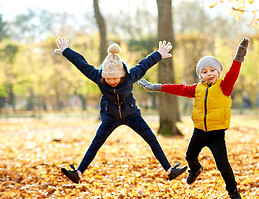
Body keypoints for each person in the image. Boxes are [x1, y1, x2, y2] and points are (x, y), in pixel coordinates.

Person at [54, 37, 187, 184]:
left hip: (132, 115)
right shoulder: (99, 78)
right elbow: (82, 65)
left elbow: (144, 65)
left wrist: (159, 54)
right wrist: (66, 51)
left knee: (151, 139)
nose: (111, 82)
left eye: (115, 78)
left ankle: (169, 170)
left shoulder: (130, 76)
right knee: (96, 143)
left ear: (122, 73)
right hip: (109, 116)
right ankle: (78, 173)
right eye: (108, 79)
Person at [138, 37, 249, 199]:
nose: (209, 73)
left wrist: (239, 57)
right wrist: (157, 87)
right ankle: (195, 169)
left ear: (218, 72)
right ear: (200, 75)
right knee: (189, 156)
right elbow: (178, 88)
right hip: (199, 131)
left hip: (216, 134)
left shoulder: (224, 87)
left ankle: (233, 191)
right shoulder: (196, 89)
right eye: (204, 72)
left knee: (223, 165)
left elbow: (233, 73)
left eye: (212, 70)